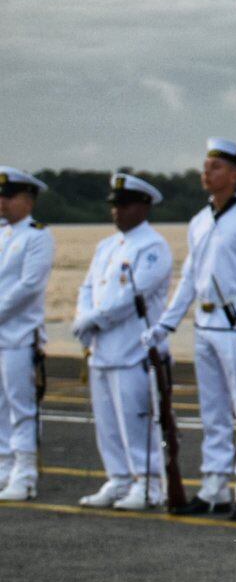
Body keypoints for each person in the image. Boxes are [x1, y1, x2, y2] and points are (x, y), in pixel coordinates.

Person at [148, 139, 236, 520]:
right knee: (213, 411)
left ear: (235, 175)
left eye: (215, 168)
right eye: (205, 167)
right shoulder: (199, 220)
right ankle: (215, 484)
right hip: (204, 325)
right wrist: (166, 323)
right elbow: (190, 277)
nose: (207, 174)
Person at [72, 173, 173, 510]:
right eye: (114, 205)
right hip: (102, 348)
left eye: (125, 205)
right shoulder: (106, 246)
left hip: (134, 350)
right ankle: (118, 479)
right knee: (108, 423)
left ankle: (149, 484)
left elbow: (133, 296)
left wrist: (95, 318)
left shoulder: (153, 247)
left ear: (144, 207)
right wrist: (82, 317)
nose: (117, 211)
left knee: (137, 421)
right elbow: (87, 288)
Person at [0, 168, 56, 501]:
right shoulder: (2, 234)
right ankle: (5, 467)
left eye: (9, 196)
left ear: (28, 199)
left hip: (19, 335)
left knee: (22, 407)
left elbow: (28, 286)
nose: (2, 202)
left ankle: (25, 474)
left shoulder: (37, 236)